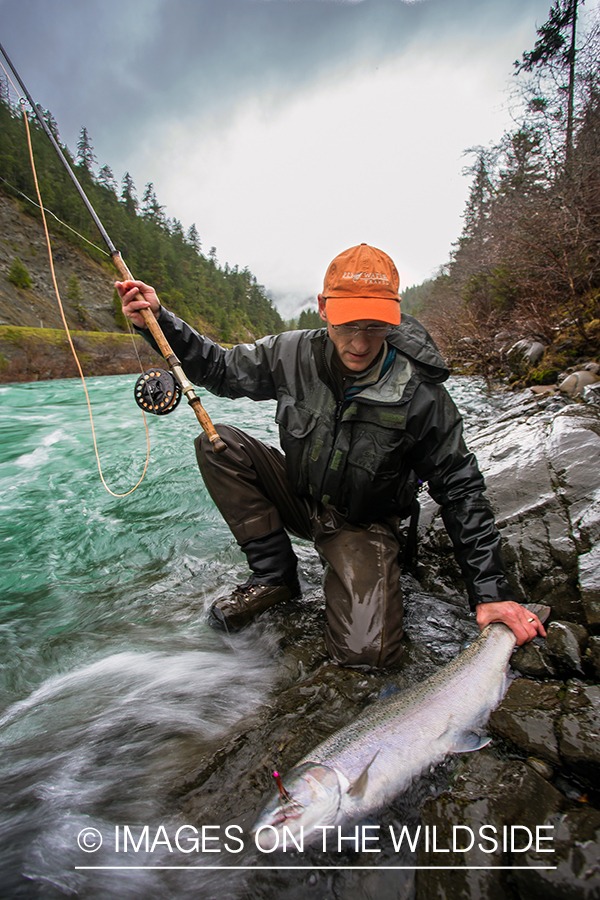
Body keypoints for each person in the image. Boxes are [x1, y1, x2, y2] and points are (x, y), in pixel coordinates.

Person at [117, 243, 546, 668]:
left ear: (394, 317)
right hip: (300, 495)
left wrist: (491, 594)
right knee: (220, 445)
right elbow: (222, 370)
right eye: (348, 324)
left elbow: (460, 487)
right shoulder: (291, 352)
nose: (360, 343)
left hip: (363, 525)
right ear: (324, 309)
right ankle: (274, 577)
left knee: (367, 653)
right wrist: (161, 322)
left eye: (375, 326)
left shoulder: (421, 393)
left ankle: (349, 570)